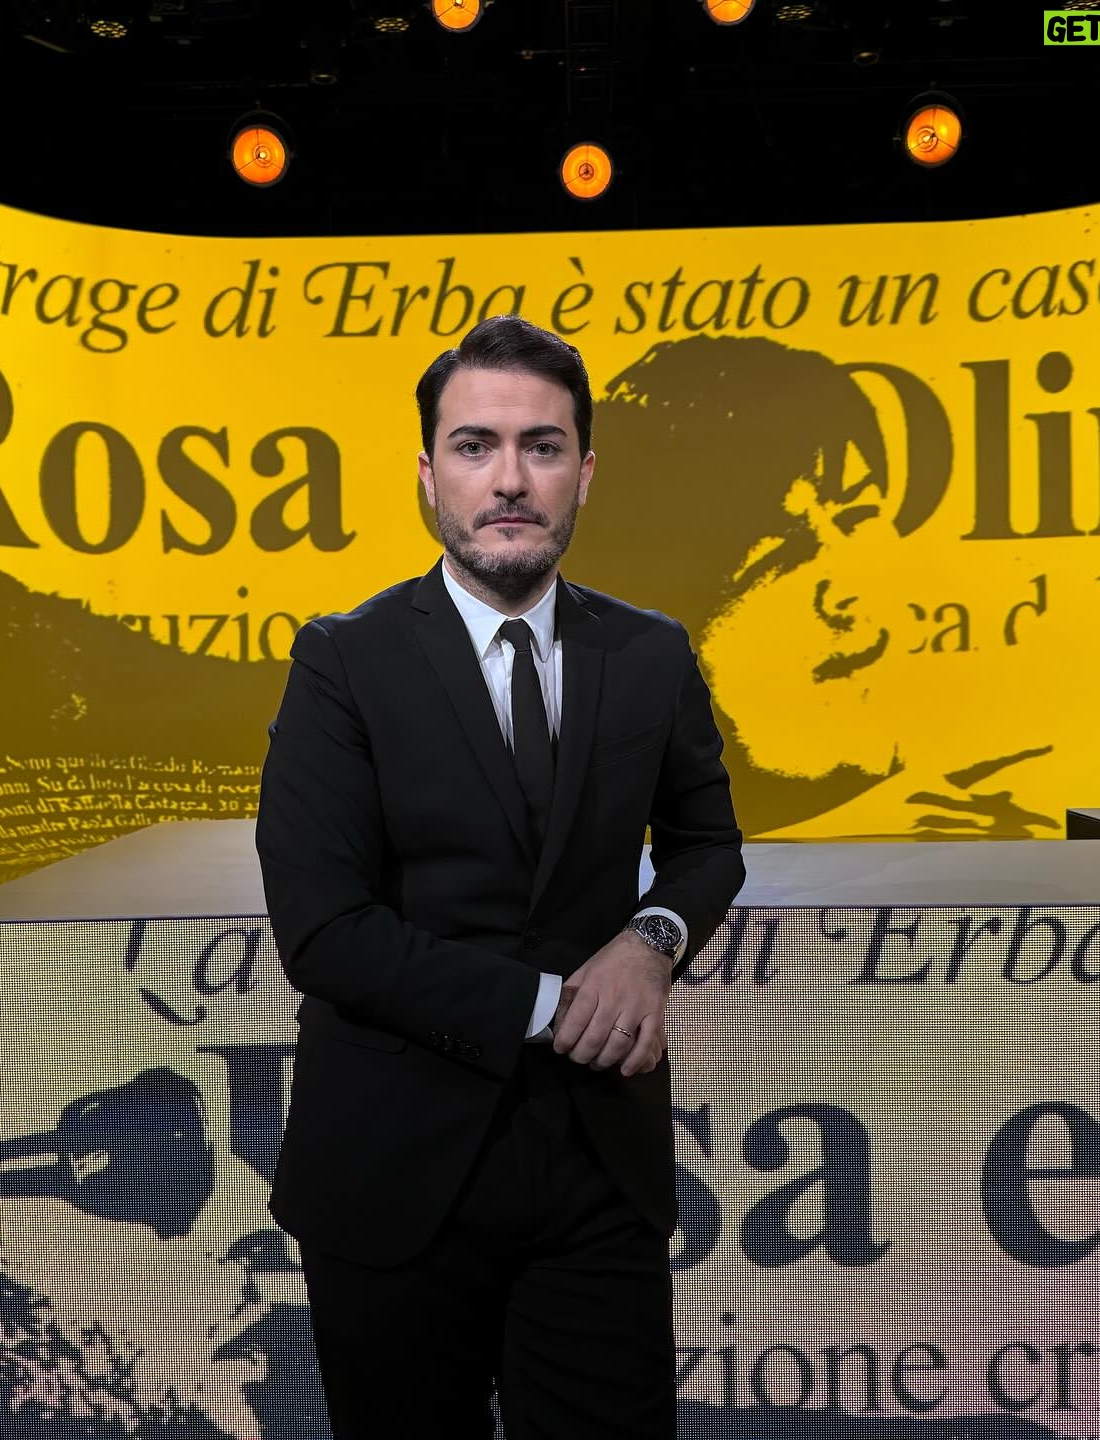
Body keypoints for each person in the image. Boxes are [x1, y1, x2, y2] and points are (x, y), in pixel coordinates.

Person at [257, 314, 746, 1439]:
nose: (510, 479)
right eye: (475, 446)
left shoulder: (652, 653)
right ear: (430, 475)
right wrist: (555, 1004)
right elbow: (325, 931)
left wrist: (652, 943)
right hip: (390, 1169)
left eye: (543, 446)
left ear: (586, 473)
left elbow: (707, 847)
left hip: (599, 1167)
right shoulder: (342, 660)